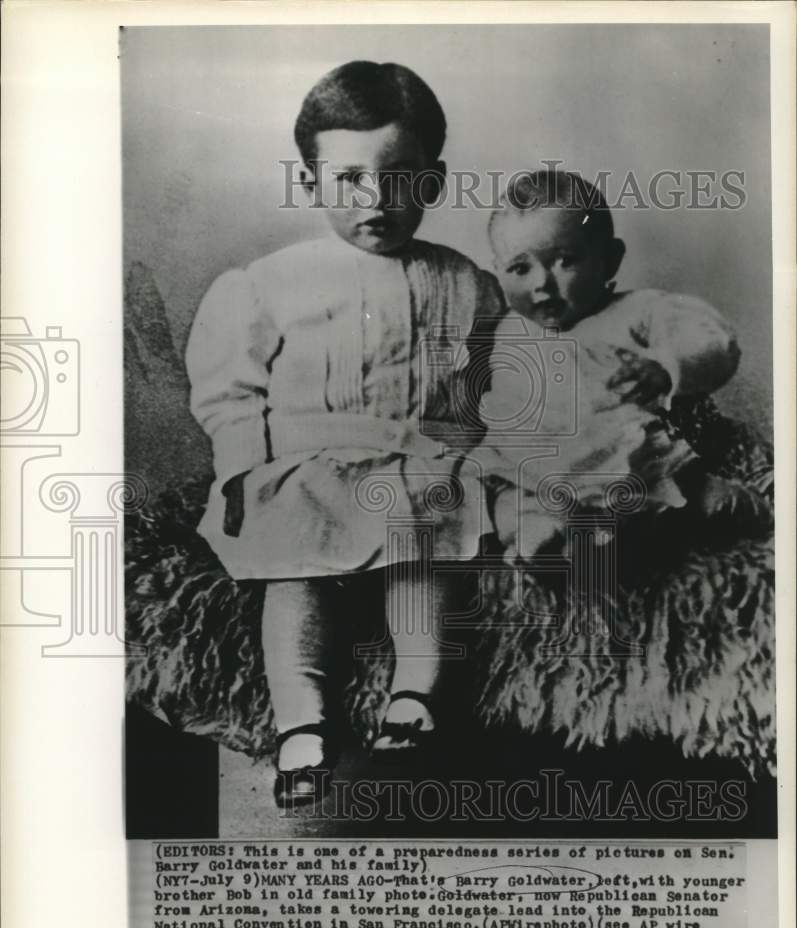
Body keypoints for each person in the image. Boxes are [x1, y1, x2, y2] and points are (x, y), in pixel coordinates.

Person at [185, 61, 504, 806]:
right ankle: (301, 722)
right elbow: (230, 387)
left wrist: (467, 455)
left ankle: (413, 695)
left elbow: (482, 385)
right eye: (348, 180)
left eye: (398, 177)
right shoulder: (269, 282)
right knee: (294, 571)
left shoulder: (466, 282)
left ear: (431, 180)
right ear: (309, 184)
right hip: (306, 465)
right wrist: (239, 473)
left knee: (419, 555)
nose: (375, 201)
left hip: (417, 460)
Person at [477, 169, 744, 560]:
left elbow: (713, 341)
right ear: (497, 272)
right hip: (536, 471)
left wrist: (666, 368)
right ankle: (540, 538)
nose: (541, 284)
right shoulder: (506, 329)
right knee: (499, 499)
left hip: (629, 466)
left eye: (565, 261)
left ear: (610, 260)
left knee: (700, 501)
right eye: (520, 268)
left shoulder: (635, 310)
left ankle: (745, 508)